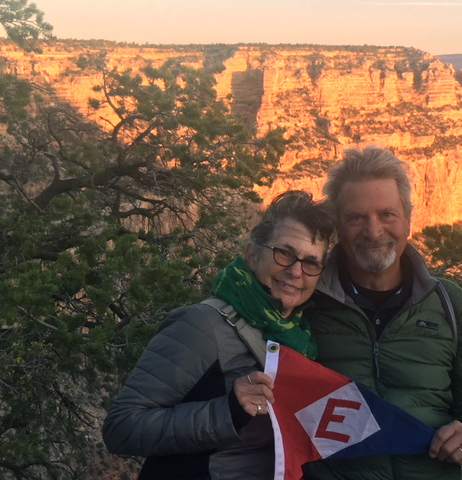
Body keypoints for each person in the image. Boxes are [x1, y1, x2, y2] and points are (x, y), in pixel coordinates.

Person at [302, 147, 462, 480]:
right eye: (356, 218)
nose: (373, 231)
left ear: (409, 218)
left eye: (387, 215)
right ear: (337, 224)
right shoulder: (306, 304)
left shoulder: (450, 305)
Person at [102, 191, 334, 480]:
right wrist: (229, 411)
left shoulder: (302, 341)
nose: (296, 271)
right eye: (284, 253)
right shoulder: (203, 324)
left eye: (311, 262)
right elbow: (121, 427)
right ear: (252, 255)